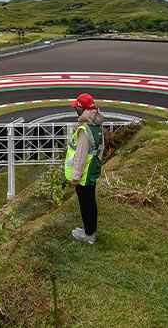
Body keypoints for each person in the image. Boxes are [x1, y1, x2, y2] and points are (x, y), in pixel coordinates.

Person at [65, 93, 105, 245]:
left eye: (77, 108)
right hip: (92, 171)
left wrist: (75, 177)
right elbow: (101, 148)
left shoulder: (84, 130)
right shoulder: (97, 125)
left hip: (83, 175)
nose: (76, 110)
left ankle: (89, 235)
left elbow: (80, 156)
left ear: (83, 110)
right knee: (90, 202)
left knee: (85, 203)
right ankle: (90, 230)